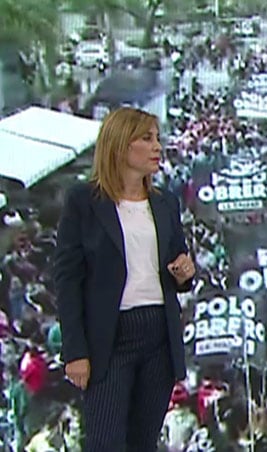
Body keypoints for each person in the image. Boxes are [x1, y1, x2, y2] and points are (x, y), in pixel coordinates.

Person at [54, 107, 196, 451]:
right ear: (119, 145)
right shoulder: (84, 202)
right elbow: (68, 279)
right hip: (109, 338)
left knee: (142, 443)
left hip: (158, 335)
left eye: (158, 139)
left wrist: (185, 273)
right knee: (105, 442)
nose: (157, 147)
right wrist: (75, 351)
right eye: (147, 139)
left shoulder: (165, 203)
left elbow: (180, 266)